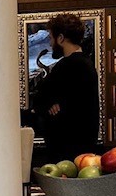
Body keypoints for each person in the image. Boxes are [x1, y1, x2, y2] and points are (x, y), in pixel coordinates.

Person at [34, 13, 100, 163]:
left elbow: (39, 97)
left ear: (61, 38)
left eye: (51, 38)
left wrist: (50, 105)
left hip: (66, 155)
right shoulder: (87, 65)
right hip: (84, 154)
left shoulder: (66, 66)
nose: (50, 44)